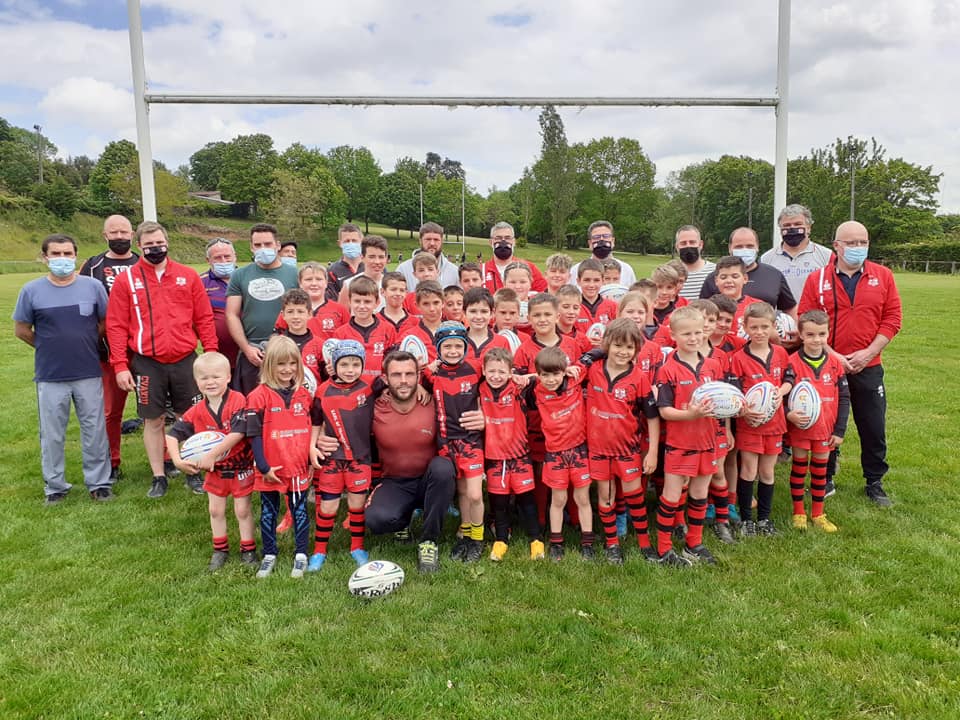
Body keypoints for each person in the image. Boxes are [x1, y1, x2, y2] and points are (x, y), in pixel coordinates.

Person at [105, 221, 218, 498]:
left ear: (167, 242)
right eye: (149, 245)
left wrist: (211, 352)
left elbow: (203, 317)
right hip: (147, 361)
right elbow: (116, 325)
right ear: (139, 246)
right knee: (152, 421)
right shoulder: (126, 280)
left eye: (159, 244)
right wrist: (120, 365)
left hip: (184, 359)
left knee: (189, 418)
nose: (155, 249)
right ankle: (158, 476)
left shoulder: (187, 276)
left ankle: (192, 469)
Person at [798, 220, 901, 507]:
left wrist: (869, 352)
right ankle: (825, 477)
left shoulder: (883, 276)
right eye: (851, 242)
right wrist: (833, 355)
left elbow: (892, 319)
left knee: (873, 424)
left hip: (869, 365)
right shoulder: (817, 279)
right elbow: (806, 320)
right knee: (827, 422)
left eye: (863, 242)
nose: (858, 248)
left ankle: (875, 481)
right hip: (829, 365)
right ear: (837, 246)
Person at [361, 351, 483, 573]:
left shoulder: (434, 401)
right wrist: (321, 436)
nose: (404, 380)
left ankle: (429, 541)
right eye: (396, 375)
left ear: (419, 376)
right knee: (376, 520)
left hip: (431, 480)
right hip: (395, 481)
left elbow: (474, 400)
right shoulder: (374, 406)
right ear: (385, 379)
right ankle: (403, 521)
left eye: (410, 374)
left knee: (443, 467)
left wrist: (484, 418)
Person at [14, 233, 112, 504]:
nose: (62, 259)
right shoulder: (31, 291)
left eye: (67, 254)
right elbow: (22, 330)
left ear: (75, 256)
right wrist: (46, 345)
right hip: (51, 374)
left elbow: (104, 322)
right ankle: (55, 486)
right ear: (45, 257)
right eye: (56, 254)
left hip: (88, 371)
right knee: (52, 433)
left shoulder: (92, 287)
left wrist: (86, 342)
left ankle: (99, 483)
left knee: (94, 429)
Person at [165, 352, 257, 571]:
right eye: (204, 378)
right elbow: (171, 434)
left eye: (216, 376)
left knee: (242, 510)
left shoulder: (238, 400)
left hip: (240, 466)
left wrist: (212, 454)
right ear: (197, 382)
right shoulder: (196, 411)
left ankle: (249, 549)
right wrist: (177, 461)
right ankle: (220, 549)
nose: (210, 382)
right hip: (215, 471)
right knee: (215, 510)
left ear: (227, 377)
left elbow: (238, 433)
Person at [653, 306, 727, 567]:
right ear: (673, 335)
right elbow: (664, 411)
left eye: (697, 332)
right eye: (686, 334)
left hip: (708, 441)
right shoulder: (667, 370)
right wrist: (690, 415)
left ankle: (694, 543)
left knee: (699, 493)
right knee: (672, 496)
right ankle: (664, 550)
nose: (693, 338)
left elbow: (723, 401)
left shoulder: (714, 365)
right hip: (680, 443)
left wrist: (739, 406)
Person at [585, 319, 661, 564]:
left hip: (627, 449)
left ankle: (644, 543)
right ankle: (612, 544)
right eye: (618, 345)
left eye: (629, 348)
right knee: (606, 497)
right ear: (607, 344)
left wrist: (652, 453)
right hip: (598, 449)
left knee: (634, 495)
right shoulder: (593, 369)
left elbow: (652, 417)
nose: (623, 352)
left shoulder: (638, 378)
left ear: (637, 350)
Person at [243, 335, 315, 579]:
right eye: (280, 364)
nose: (287, 370)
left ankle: (301, 554)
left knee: (300, 510)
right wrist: (263, 467)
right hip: (270, 468)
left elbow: (312, 425)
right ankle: (269, 553)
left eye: (292, 363)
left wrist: (310, 457)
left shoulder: (304, 394)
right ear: (269, 365)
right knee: (268, 512)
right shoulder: (258, 396)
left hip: (297, 467)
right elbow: (253, 434)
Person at [79, 214, 139, 481]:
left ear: (132, 234)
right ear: (104, 235)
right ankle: (111, 462)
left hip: (145, 351)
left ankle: (167, 459)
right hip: (107, 353)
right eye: (113, 232)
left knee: (157, 409)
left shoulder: (143, 262)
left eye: (123, 232)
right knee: (110, 412)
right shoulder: (92, 267)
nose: (119, 237)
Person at [308, 340, 375, 571]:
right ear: (333, 365)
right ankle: (319, 551)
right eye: (344, 364)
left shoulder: (370, 386)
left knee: (357, 505)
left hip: (360, 459)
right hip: (332, 459)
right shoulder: (322, 391)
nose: (350, 369)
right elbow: (315, 421)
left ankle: (357, 547)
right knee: (328, 508)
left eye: (355, 364)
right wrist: (313, 445)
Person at [729, 302, 794, 537]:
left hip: (775, 424)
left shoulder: (781, 353)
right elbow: (734, 393)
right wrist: (744, 410)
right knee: (748, 470)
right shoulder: (738, 358)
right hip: (750, 425)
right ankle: (747, 519)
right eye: (753, 327)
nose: (759, 332)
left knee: (767, 471)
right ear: (745, 326)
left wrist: (782, 391)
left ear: (773, 327)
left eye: (764, 327)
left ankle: (764, 519)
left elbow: (790, 378)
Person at [423, 322, 486, 563]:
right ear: (438, 349)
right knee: (461, 491)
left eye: (457, 346)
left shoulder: (476, 368)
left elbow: (502, 381)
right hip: (446, 443)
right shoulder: (432, 374)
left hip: (470, 442)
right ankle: (465, 532)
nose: (452, 350)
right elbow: (421, 384)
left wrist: (486, 418)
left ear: (466, 346)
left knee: (474, 494)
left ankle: (477, 540)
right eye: (446, 346)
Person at [786, 310, 850, 532]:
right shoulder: (792, 363)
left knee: (821, 470)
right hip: (801, 429)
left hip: (826, 428)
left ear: (828, 334)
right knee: (799, 468)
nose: (816, 339)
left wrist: (839, 430)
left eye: (821, 334)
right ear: (801, 335)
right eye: (811, 334)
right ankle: (798, 512)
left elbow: (844, 398)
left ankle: (818, 513)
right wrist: (788, 413)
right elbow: (785, 395)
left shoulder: (834, 362)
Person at [479, 347, 543, 562]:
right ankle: (501, 540)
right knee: (499, 502)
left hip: (519, 455)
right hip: (495, 457)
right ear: (483, 371)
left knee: (527, 499)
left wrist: (525, 377)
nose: (496, 376)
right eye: (492, 371)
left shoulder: (518, 388)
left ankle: (536, 540)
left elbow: (543, 376)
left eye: (502, 372)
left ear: (510, 372)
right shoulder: (479, 390)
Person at [225, 223, 299, 394]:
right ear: (251, 247)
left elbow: (303, 313)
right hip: (253, 351)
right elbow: (231, 315)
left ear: (278, 245)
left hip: (286, 349)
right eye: (258, 245)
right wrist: (246, 349)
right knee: (252, 403)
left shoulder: (294, 274)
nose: (263, 249)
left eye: (267, 244)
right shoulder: (240, 275)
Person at [699, 227, 797, 318]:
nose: (744, 250)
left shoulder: (774, 275)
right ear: (730, 248)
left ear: (757, 247)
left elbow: (790, 308)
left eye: (749, 246)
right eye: (739, 247)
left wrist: (797, 332)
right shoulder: (714, 277)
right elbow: (702, 311)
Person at [761, 204, 833, 301]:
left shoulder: (826, 256)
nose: (792, 228)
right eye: (786, 225)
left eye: (797, 224)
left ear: (809, 227)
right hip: (779, 315)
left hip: (814, 315)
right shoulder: (766, 259)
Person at [198, 238, 241, 376]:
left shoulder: (248, 278)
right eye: (217, 258)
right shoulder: (200, 283)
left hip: (250, 354)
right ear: (208, 260)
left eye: (227, 256)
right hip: (218, 356)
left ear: (235, 257)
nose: (223, 261)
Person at [483, 222, 547, 293]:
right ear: (490, 242)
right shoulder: (482, 271)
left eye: (507, 238)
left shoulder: (529, 268)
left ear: (514, 241)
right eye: (498, 238)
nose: (503, 242)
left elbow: (543, 294)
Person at [570, 221, 638, 287]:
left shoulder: (626, 270)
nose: (601, 240)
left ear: (613, 241)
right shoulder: (576, 270)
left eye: (606, 236)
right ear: (590, 243)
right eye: (596, 237)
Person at [396, 222, 460, 289]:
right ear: (420, 241)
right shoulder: (403, 269)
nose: (432, 243)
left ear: (441, 242)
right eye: (428, 239)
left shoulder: (454, 271)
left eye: (436, 240)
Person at [675, 225, 716, 300]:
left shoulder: (716, 271)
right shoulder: (669, 273)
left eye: (692, 242)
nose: (688, 246)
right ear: (677, 247)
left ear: (700, 244)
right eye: (683, 243)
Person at [326, 223, 365, 301]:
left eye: (354, 241)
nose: (351, 244)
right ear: (339, 243)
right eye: (347, 241)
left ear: (361, 241)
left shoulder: (371, 266)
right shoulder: (331, 272)